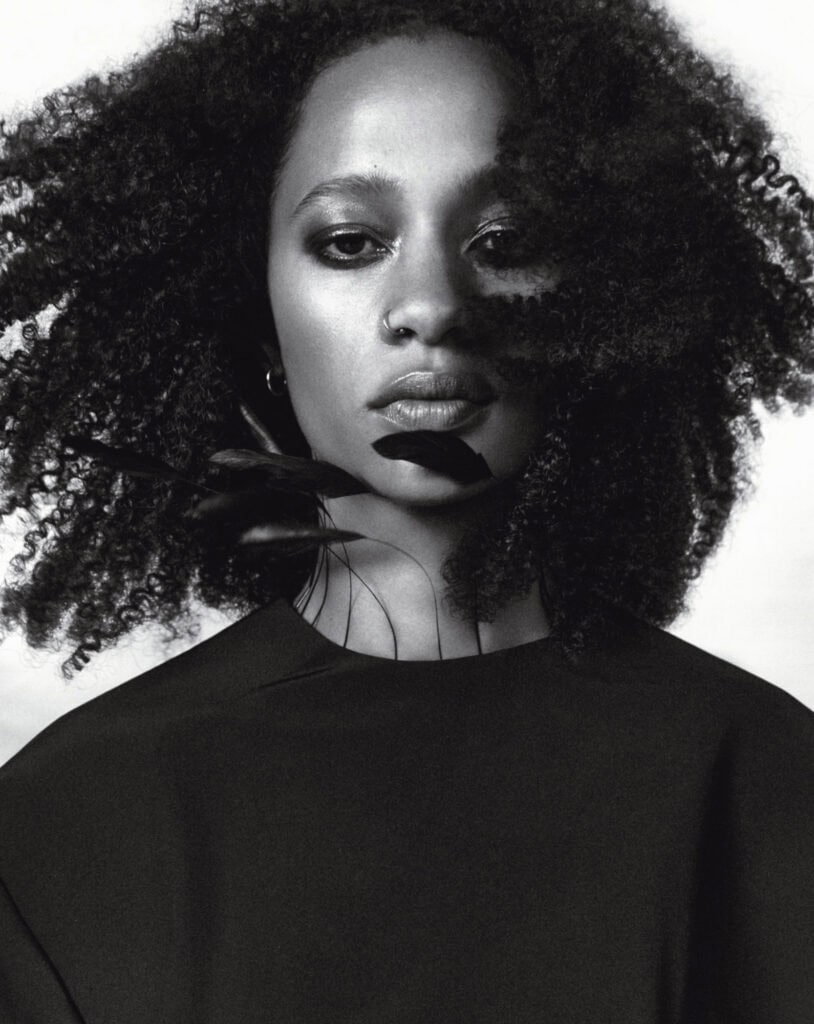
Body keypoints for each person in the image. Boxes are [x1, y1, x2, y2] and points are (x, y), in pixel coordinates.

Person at [0, 0, 812, 1020]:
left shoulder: (767, 784)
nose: (429, 302)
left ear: (609, 299)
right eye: (349, 240)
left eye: (504, 236)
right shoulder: (68, 823)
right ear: (253, 309)